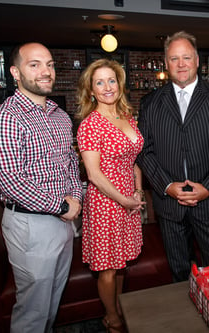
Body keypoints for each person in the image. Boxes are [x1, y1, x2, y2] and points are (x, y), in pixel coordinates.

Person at [0, 42, 82, 333]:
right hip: (30, 225)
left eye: (49, 64)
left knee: (51, 302)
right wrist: (63, 206)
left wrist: (74, 198)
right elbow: (11, 182)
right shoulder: (4, 119)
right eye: (34, 64)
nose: (45, 72)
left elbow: (70, 166)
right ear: (15, 72)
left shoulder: (60, 116)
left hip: (63, 222)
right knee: (33, 312)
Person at [136, 31, 209, 282]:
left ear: (197, 60)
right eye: (174, 58)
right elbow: (144, 150)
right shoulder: (151, 103)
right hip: (170, 207)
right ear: (165, 63)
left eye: (186, 57)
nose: (181, 64)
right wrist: (166, 186)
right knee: (179, 275)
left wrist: (208, 187)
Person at [76, 58, 145, 333]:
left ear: (119, 84)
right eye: (100, 82)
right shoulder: (90, 125)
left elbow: (133, 161)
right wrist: (125, 199)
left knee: (121, 264)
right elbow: (93, 174)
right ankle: (112, 317)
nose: (107, 87)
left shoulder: (126, 116)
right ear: (91, 90)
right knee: (107, 267)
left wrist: (138, 191)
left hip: (128, 199)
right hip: (106, 203)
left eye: (111, 80)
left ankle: (119, 307)